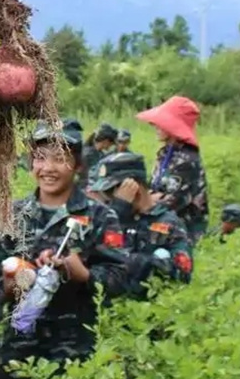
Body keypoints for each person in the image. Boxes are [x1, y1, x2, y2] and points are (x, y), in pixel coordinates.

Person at [0, 121, 130, 377]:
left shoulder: (100, 215)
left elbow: (120, 278)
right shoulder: (14, 215)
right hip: (20, 348)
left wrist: (83, 274)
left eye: (60, 158)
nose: (48, 168)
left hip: (76, 351)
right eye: (40, 158)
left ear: (78, 165)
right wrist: (10, 285)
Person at [90, 152, 193, 298]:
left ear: (133, 187)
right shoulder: (111, 216)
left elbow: (183, 273)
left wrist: (145, 264)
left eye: (110, 192)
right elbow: (96, 256)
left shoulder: (168, 223)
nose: (107, 198)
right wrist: (119, 212)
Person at [136, 96, 209, 245]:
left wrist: (138, 202)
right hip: (161, 221)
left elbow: (172, 201)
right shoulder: (165, 153)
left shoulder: (187, 160)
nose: (155, 126)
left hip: (182, 231)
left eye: (161, 123)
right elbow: (155, 189)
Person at [79, 122, 118, 187]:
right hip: (87, 187)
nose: (111, 146)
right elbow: (97, 173)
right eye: (111, 143)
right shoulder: (89, 154)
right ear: (106, 141)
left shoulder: (98, 152)